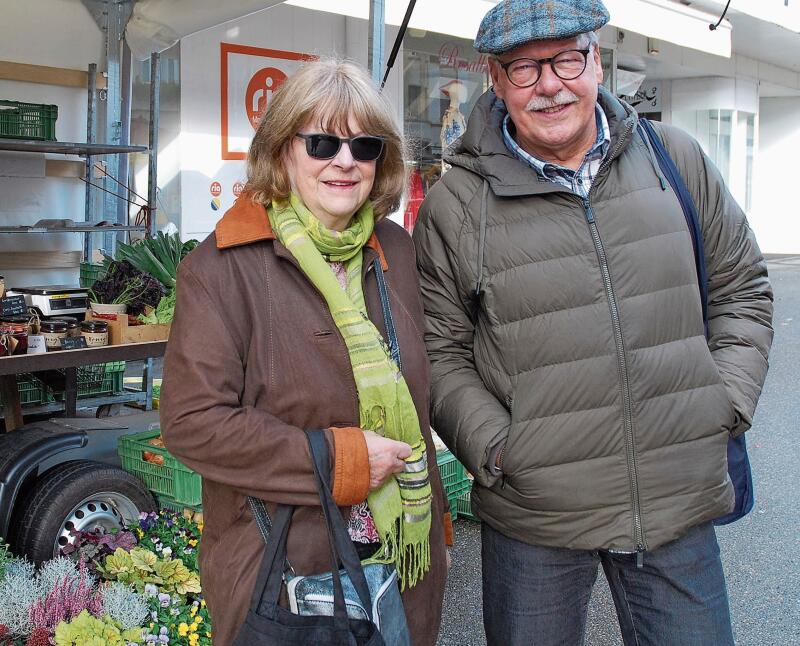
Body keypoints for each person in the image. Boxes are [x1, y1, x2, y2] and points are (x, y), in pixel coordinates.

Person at [412, 1, 774, 644]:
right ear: (494, 80)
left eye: (566, 59)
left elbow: (741, 288)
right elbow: (439, 350)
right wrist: (500, 449)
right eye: (524, 68)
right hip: (536, 518)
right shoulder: (456, 203)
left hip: (674, 499)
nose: (550, 84)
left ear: (596, 61)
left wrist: (723, 402)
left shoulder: (675, 160)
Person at [161, 58, 450, 645]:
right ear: (282, 151)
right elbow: (192, 423)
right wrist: (337, 461)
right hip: (287, 577)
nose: (344, 161)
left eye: (364, 146)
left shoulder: (394, 249)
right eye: (321, 142)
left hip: (402, 563)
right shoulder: (221, 269)